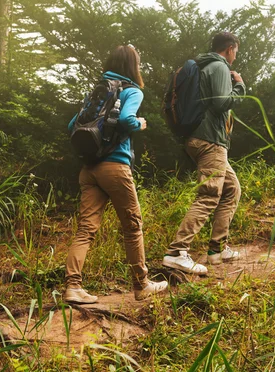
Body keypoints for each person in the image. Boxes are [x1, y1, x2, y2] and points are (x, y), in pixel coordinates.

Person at [64, 45, 169, 304]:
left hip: (89, 168)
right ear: (133, 66)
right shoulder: (132, 91)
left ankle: (73, 287)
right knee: (133, 227)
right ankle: (141, 284)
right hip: (115, 167)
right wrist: (139, 124)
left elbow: (71, 125)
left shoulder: (98, 92)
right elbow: (125, 120)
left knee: (86, 229)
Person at [162, 32, 246, 275]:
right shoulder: (218, 67)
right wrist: (240, 86)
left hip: (199, 138)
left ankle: (217, 249)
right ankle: (177, 252)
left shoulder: (202, 67)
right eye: (235, 52)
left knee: (231, 188)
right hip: (210, 141)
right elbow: (221, 103)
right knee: (209, 195)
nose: (235, 56)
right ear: (230, 49)